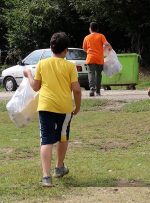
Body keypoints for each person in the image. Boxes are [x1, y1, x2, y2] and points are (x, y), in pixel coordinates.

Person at [23, 32, 81, 187]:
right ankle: (59, 167)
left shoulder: (42, 63)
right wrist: (78, 107)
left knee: (46, 140)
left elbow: (35, 87)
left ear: (51, 48)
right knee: (63, 136)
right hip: (65, 108)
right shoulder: (70, 66)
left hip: (46, 106)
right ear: (66, 50)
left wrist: (28, 73)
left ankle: (46, 177)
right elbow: (76, 90)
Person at [83, 22, 112, 96]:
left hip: (90, 58)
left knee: (91, 74)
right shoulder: (101, 36)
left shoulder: (86, 37)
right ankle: (98, 91)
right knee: (98, 75)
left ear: (90, 29)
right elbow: (106, 44)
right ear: (97, 29)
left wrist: (90, 52)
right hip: (99, 58)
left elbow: (84, 49)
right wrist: (110, 48)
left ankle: (92, 89)